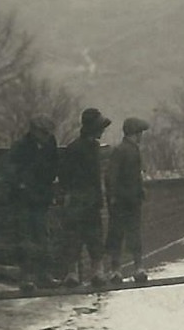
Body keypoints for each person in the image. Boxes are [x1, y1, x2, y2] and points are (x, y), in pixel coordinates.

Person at [59, 107, 112, 289]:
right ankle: (93, 272)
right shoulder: (80, 149)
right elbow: (66, 176)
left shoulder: (79, 147)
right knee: (90, 238)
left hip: (80, 201)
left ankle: (76, 273)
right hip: (83, 201)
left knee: (79, 238)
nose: (102, 131)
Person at [9, 115, 60, 293]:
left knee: (43, 236)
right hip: (24, 200)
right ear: (34, 131)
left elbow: (54, 165)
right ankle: (27, 277)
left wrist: (47, 185)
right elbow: (11, 171)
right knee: (25, 238)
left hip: (42, 197)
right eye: (43, 133)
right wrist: (21, 185)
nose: (46, 136)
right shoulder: (21, 147)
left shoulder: (50, 144)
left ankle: (44, 274)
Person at [105, 117, 149, 283]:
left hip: (132, 200)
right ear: (134, 133)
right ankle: (119, 270)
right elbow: (111, 176)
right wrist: (113, 197)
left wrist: (140, 188)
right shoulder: (121, 150)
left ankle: (135, 268)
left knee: (129, 234)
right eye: (140, 133)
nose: (141, 136)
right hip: (123, 201)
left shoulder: (133, 149)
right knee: (120, 235)